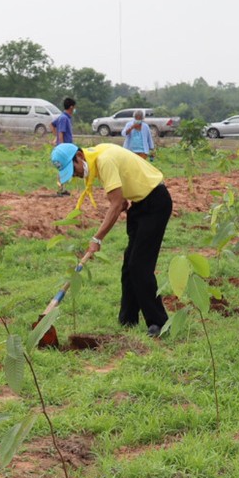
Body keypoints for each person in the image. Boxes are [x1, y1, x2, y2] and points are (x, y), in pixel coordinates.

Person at [51, 141, 170, 336]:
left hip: (155, 203)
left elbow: (115, 205)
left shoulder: (104, 160)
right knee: (129, 265)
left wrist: (97, 238)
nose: (75, 175)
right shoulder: (98, 157)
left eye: (73, 170)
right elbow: (120, 200)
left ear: (79, 156)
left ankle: (159, 322)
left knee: (140, 266)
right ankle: (128, 320)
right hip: (139, 205)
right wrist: (121, 204)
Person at [52, 98, 77, 195]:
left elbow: (52, 125)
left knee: (64, 168)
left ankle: (62, 188)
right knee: (62, 169)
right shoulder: (64, 118)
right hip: (64, 148)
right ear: (71, 107)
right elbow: (61, 132)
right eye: (74, 107)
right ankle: (60, 189)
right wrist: (61, 145)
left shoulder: (64, 117)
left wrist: (56, 138)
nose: (75, 109)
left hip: (66, 146)